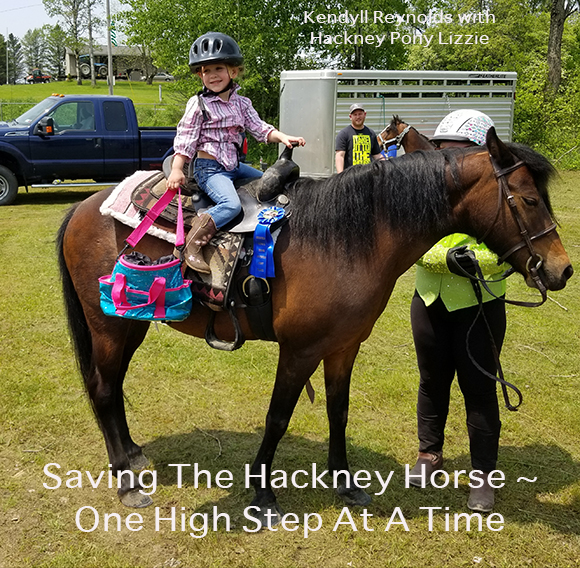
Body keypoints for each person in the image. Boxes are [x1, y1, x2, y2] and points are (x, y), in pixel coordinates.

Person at [409, 109, 507, 513]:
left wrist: (480, 262)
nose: (448, 162)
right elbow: (409, 243)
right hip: (430, 300)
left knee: (479, 388)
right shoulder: (425, 194)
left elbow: (511, 251)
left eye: (458, 153)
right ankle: (429, 454)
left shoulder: (501, 196)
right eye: (442, 152)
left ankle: (484, 474)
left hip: (480, 307)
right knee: (432, 380)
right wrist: (448, 258)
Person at [167, 32, 305, 273]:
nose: (212, 75)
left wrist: (283, 137)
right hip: (209, 168)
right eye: (206, 71)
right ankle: (193, 243)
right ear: (200, 75)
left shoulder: (243, 104)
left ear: (232, 71)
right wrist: (178, 169)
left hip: (233, 166)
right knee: (231, 205)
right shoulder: (198, 105)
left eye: (218, 68)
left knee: (270, 184)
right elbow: (186, 139)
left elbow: (260, 128)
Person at [335, 103, 383, 173]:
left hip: (368, 176)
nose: (358, 117)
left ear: (365, 114)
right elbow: (340, 156)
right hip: (350, 177)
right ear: (350, 117)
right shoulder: (344, 134)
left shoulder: (371, 133)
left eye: (360, 114)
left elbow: (377, 155)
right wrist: (340, 176)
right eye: (355, 115)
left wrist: (388, 166)